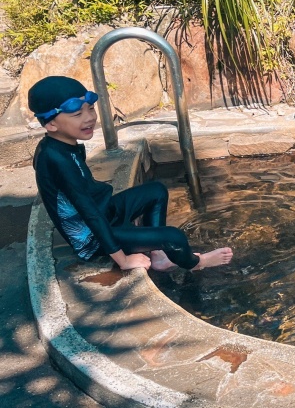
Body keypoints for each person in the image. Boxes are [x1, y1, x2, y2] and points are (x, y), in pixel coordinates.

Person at [29, 75, 232, 272]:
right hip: (92, 239)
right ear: (51, 124)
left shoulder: (62, 144)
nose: (90, 117)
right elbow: (89, 213)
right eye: (77, 114)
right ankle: (197, 263)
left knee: (156, 191)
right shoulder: (56, 159)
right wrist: (124, 260)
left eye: (90, 108)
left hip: (105, 212)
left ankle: (158, 255)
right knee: (174, 237)